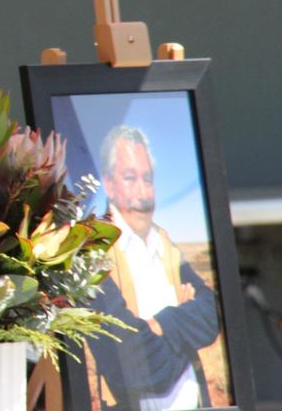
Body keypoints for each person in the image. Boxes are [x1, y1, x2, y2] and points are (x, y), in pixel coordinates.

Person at [84, 125, 220, 410]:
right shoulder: (93, 253)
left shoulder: (164, 242)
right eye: (130, 178)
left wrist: (159, 325)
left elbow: (211, 316)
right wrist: (183, 327)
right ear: (108, 184)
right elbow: (128, 362)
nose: (143, 192)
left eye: (148, 179)